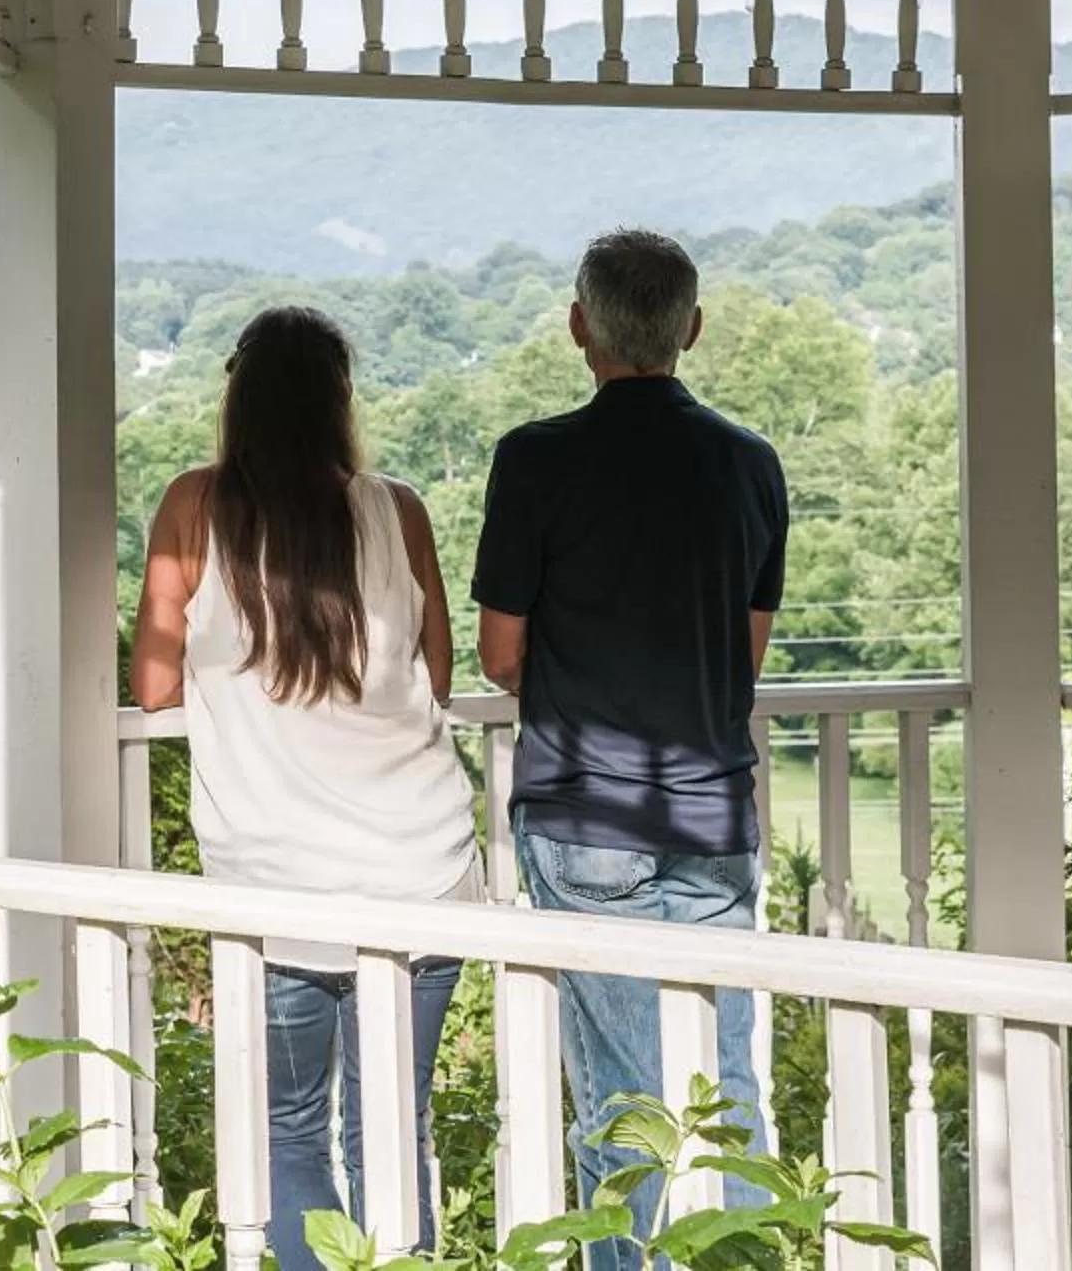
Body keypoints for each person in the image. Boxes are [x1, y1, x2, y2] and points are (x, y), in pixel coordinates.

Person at [134, 306, 480, 1271]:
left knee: (288, 1133)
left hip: (275, 885)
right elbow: (438, 675)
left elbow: (155, 685)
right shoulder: (396, 508)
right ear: (341, 401)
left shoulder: (192, 512)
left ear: (236, 398)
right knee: (392, 1131)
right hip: (423, 872)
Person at [474, 229, 788, 1270]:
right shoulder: (750, 462)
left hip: (583, 812)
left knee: (622, 1102)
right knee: (725, 1084)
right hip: (712, 813)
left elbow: (498, 650)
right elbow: (743, 656)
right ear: (691, 329)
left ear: (579, 326)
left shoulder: (535, 458)